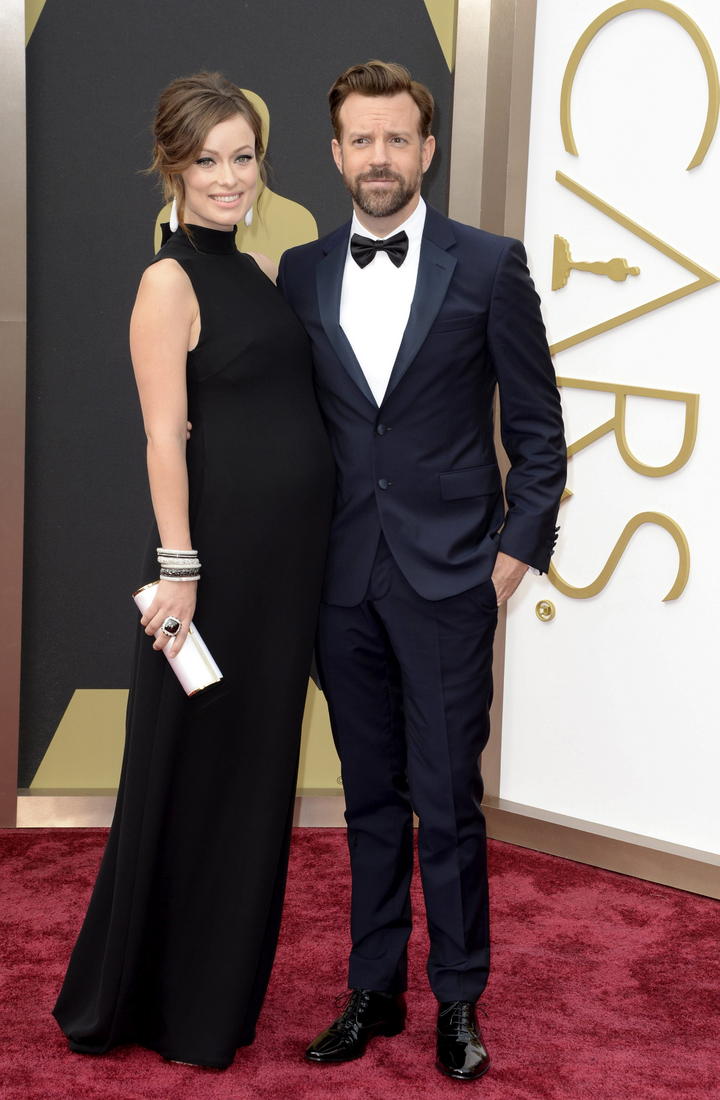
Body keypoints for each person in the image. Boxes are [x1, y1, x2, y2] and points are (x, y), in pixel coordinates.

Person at [278, 60, 566, 1082]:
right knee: (366, 797)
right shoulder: (301, 273)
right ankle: (374, 987)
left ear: (427, 149)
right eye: (361, 139)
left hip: (451, 580)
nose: (380, 157)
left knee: (446, 800)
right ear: (336, 153)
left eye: (396, 138)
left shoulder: (488, 265)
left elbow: (538, 431)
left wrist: (513, 557)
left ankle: (457, 997)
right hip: (341, 579)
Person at [53, 72, 334, 1069]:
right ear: (171, 165)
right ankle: (157, 1003)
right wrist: (180, 570)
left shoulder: (257, 272)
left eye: (243, 156)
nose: (228, 177)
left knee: (252, 779)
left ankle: (213, 998)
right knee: (192, 774)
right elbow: (163, 435)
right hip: (209, 573)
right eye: (207, 159)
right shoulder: (166, 282)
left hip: (281, 573)